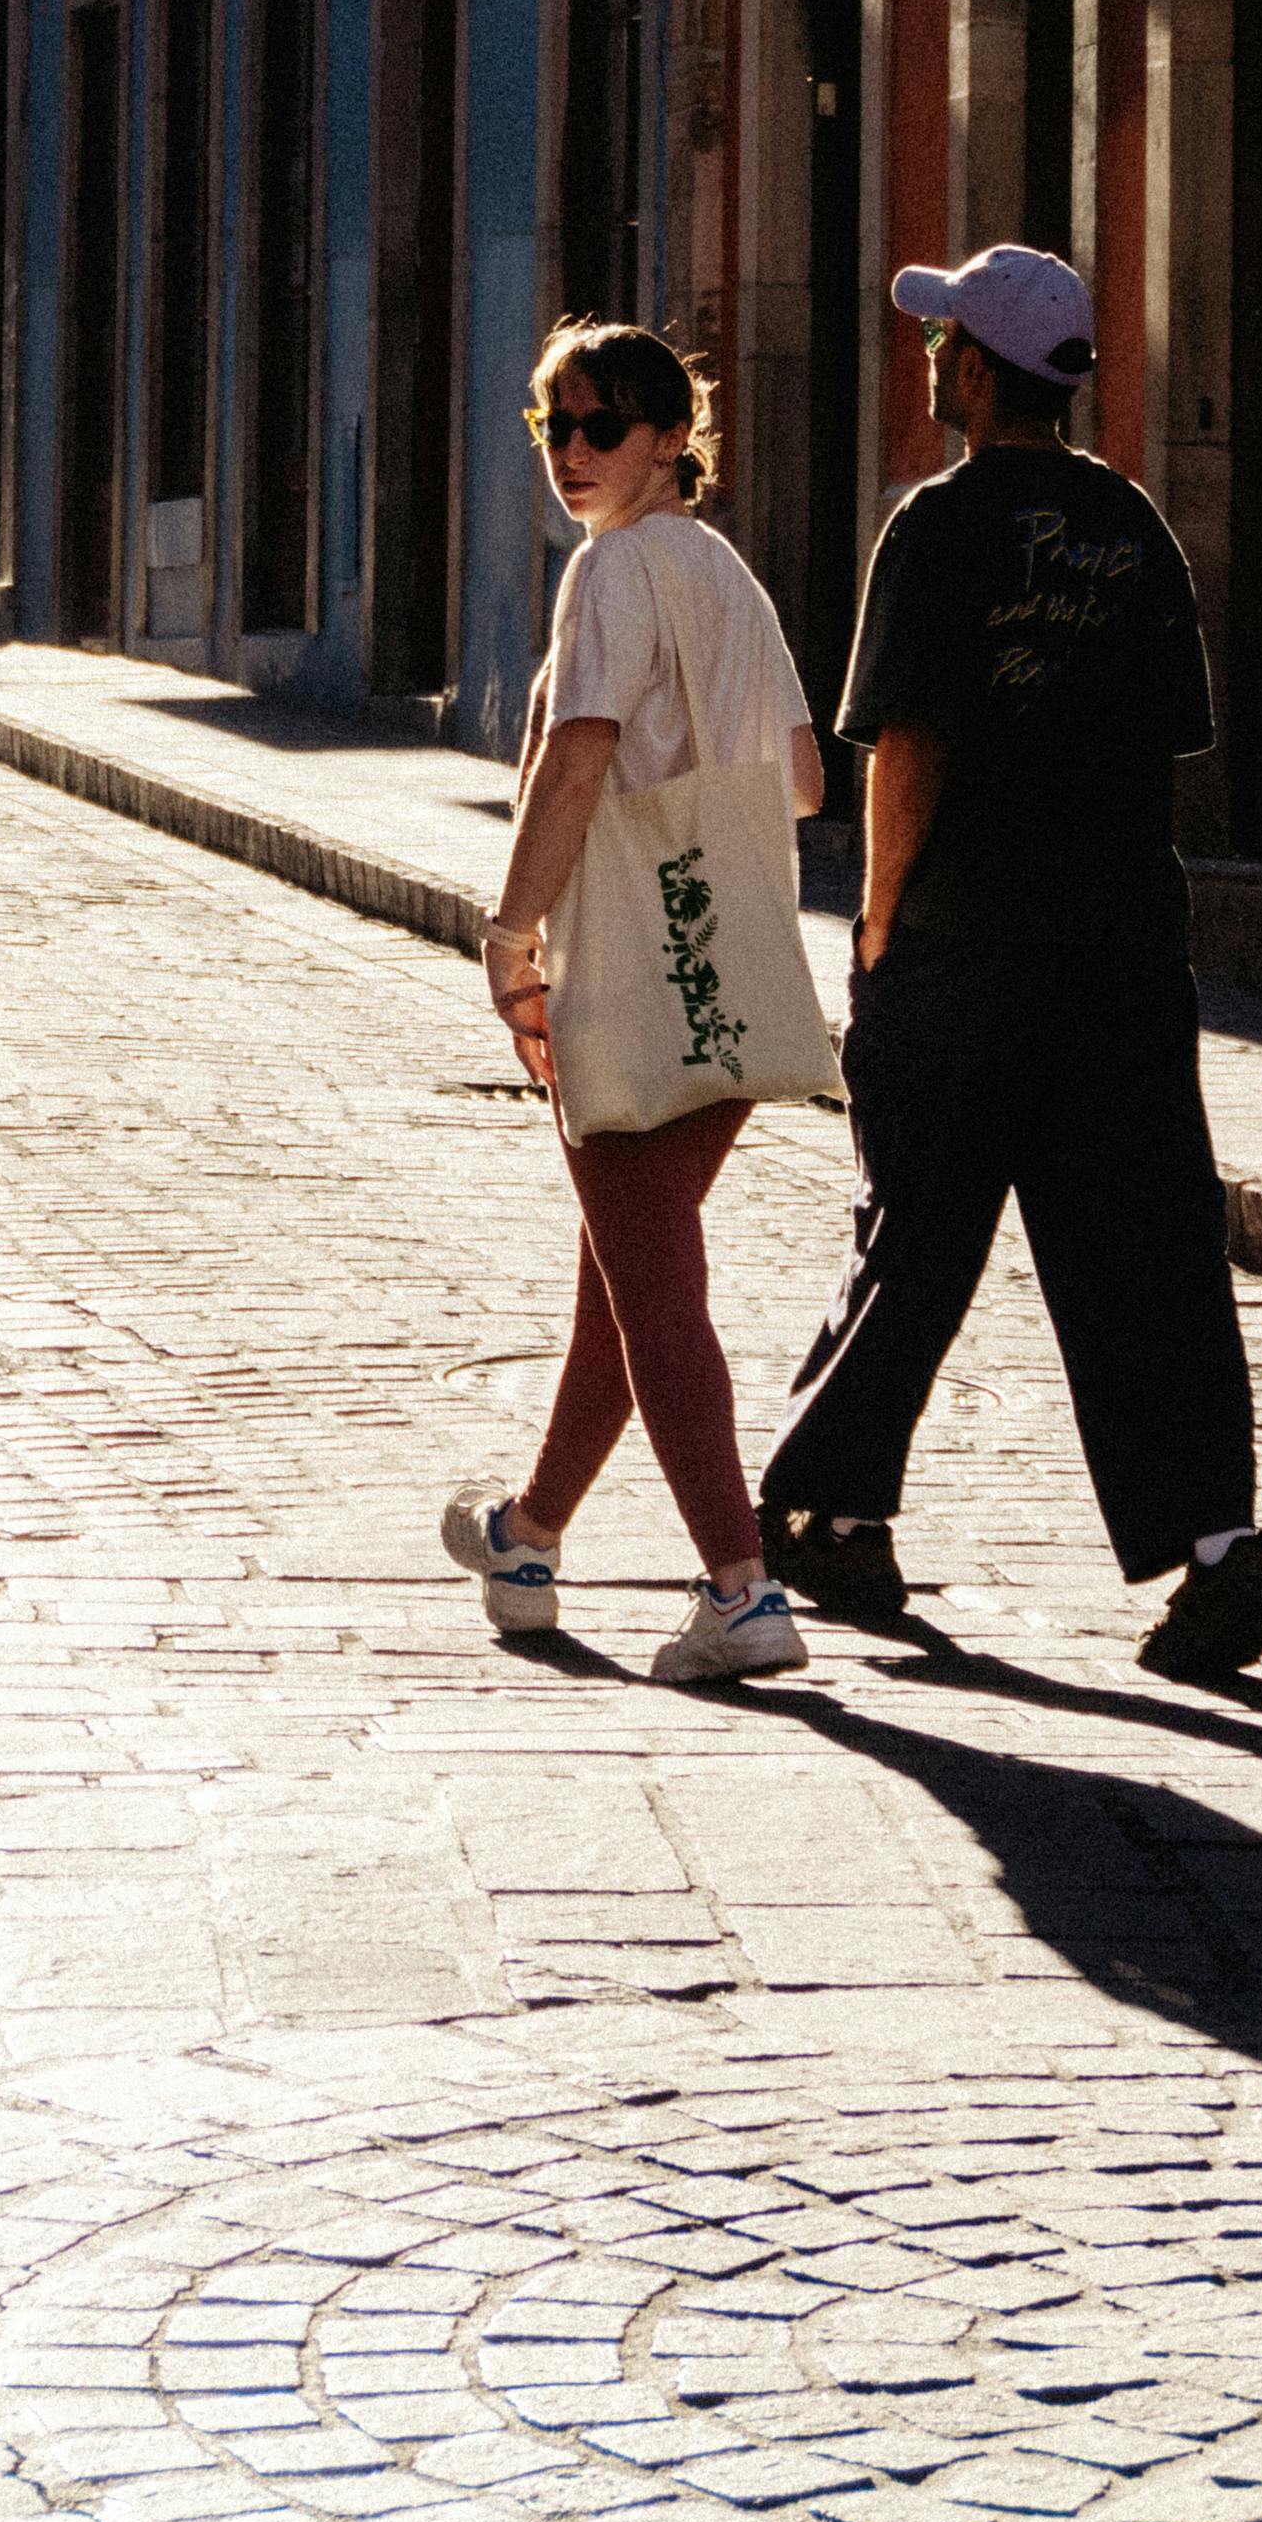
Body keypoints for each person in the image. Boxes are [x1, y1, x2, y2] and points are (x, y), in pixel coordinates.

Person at [756, 244, 1262, 1683]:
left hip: (969, 946)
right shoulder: (1131, 529)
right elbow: (1162, 741)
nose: (929, 357)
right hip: (1122, 952)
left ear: (981, 370)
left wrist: (875, 932)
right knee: (1150, 1260)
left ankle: (831, 1505)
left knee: (918, 1231)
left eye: (943, 341)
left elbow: (914, 750)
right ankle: (1223, 1555)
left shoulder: (934, 527)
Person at [443, 323, 828, 1691]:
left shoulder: (609, 574)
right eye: (551, 428)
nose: (571, 455)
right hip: (733, 964)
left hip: (624, 965)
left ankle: (741, 1585)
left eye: (599, 426)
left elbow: (577, 760)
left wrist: (509, 936)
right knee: (629, 1274)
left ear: (672, 435)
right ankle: (529, 1536)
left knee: (655, 1285)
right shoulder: (725, 574)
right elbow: (798, 779)